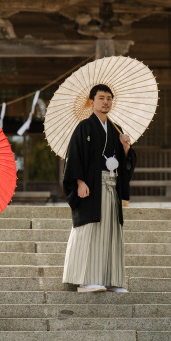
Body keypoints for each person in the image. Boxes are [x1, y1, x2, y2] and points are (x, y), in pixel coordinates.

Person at [61, 84, 137, 292]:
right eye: (101, 98)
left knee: (111, 232)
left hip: (111, 188)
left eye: (109, 98)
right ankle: (86, 280)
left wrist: (126, 148)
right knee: (90, 231)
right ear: (91, 101)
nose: (106, 102)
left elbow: (124, 163)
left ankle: (111, 280)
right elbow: (74, 157)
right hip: (91, 188)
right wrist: (79, 182)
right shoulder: (84, 127)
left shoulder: (116, 129)